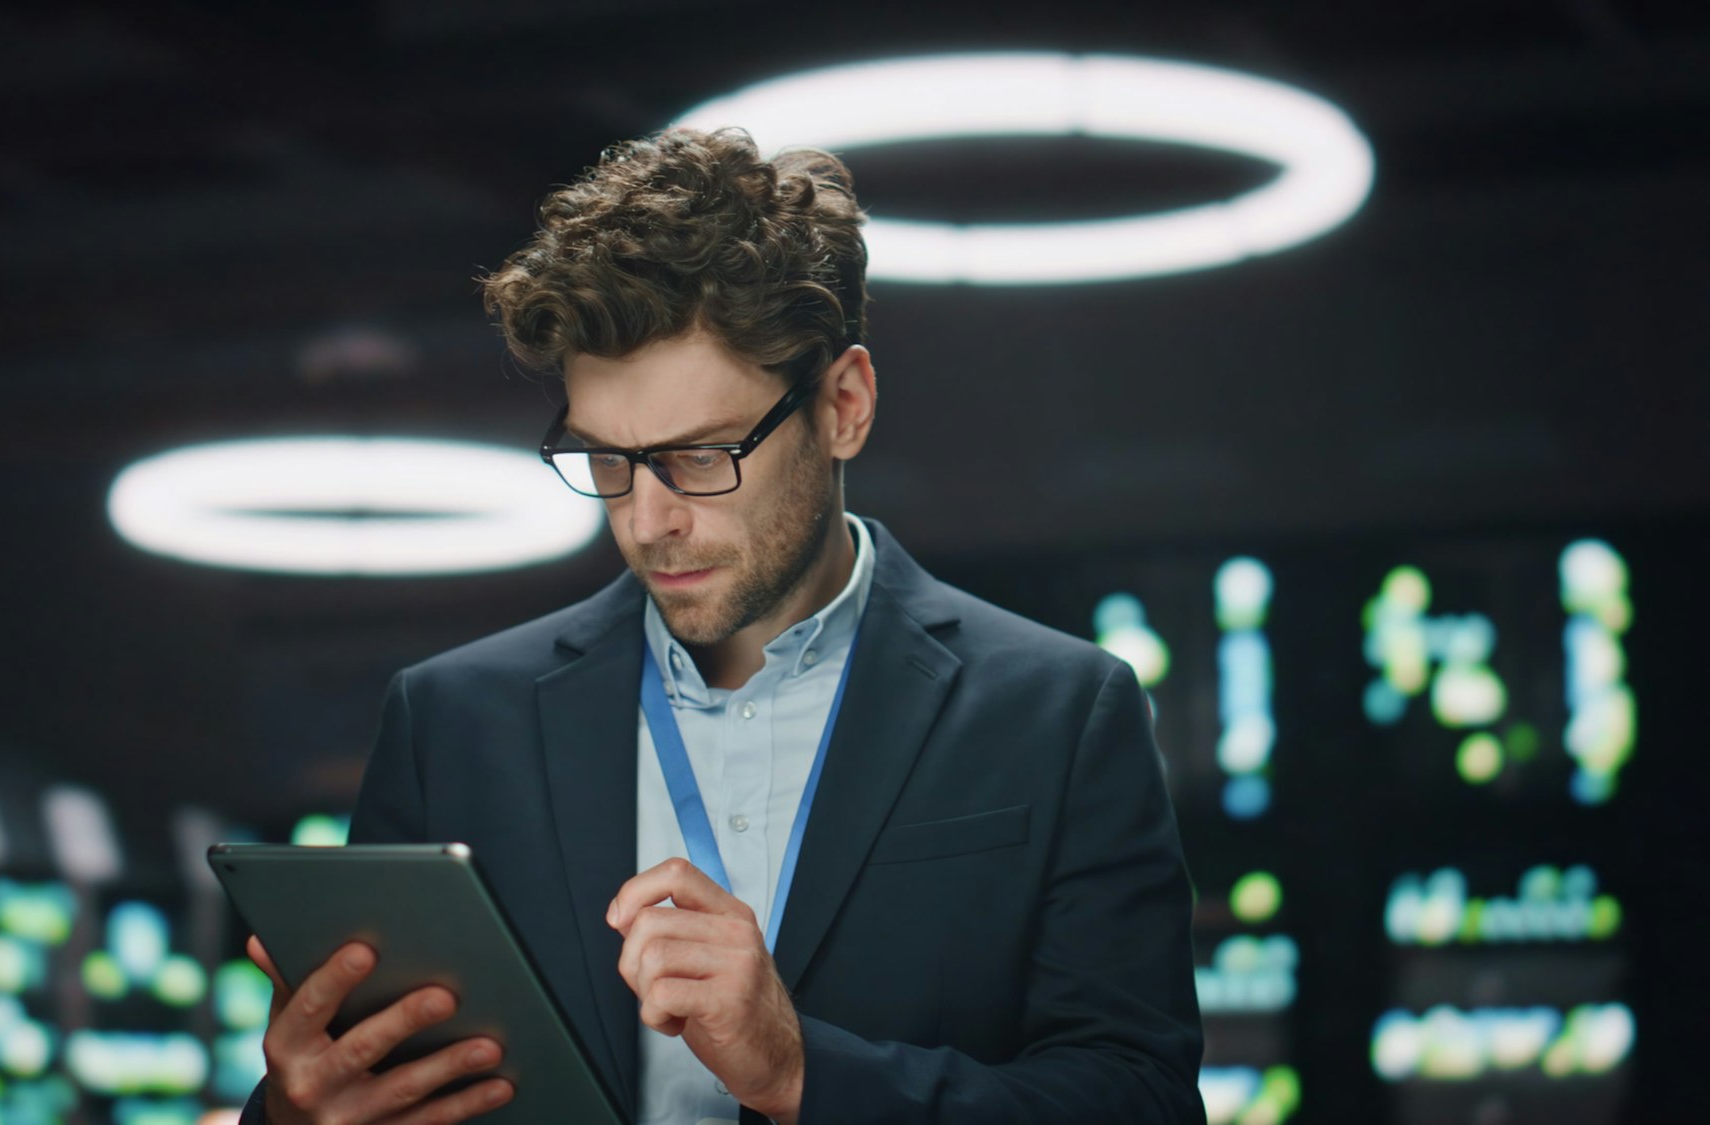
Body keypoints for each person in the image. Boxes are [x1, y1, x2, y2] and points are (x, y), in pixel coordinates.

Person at [242, 128, 1204, 1125]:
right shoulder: (451, 722)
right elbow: (372, 1077)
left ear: (842, 405)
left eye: (701, 456)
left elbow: (1140, 1105)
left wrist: (799, 1074)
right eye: (607, 460)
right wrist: (290, 1116)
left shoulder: (1058, 714)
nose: (647, 520)